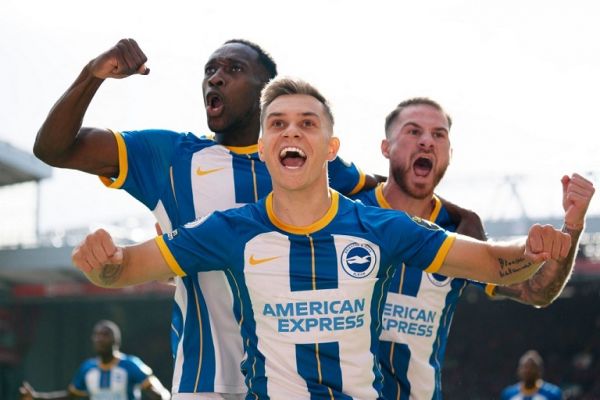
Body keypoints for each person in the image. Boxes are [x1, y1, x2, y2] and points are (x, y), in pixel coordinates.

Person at [70, 77, 571, 399]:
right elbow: (128, 268)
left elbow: (490, 263)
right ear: (263, 147)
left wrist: (531, 251)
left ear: (329, 148)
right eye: (278, 124)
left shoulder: (380, 228)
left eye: (307, 124)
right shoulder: (231, 231)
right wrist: (105, 262)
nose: (292, 133)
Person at [33, 39, 379, 399]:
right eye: (210, 70)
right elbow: (54, 148)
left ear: (267, 94)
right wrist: (92, 75)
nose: (215, 78)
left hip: (297, 383)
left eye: (233, 69)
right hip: (205, 382)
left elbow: (389, 194)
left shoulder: (309, 161)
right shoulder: (172, 157)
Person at [350, 98, 595, 399]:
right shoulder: (348, 212)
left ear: (449, 154)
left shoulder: (461, 232)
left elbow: (536, 291)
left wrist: (572, 226)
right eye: (413, 131)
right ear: (386, 147)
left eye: (439, 135)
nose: (427, 141)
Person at [19, 320, 169, 400]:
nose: (99, 339)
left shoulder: (131, 365)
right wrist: (37, 397)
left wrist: (164, 396)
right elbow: (71, 396)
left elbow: (158, 391)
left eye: (105, 335)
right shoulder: (87, 368)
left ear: (116, 340)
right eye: (97, 335)